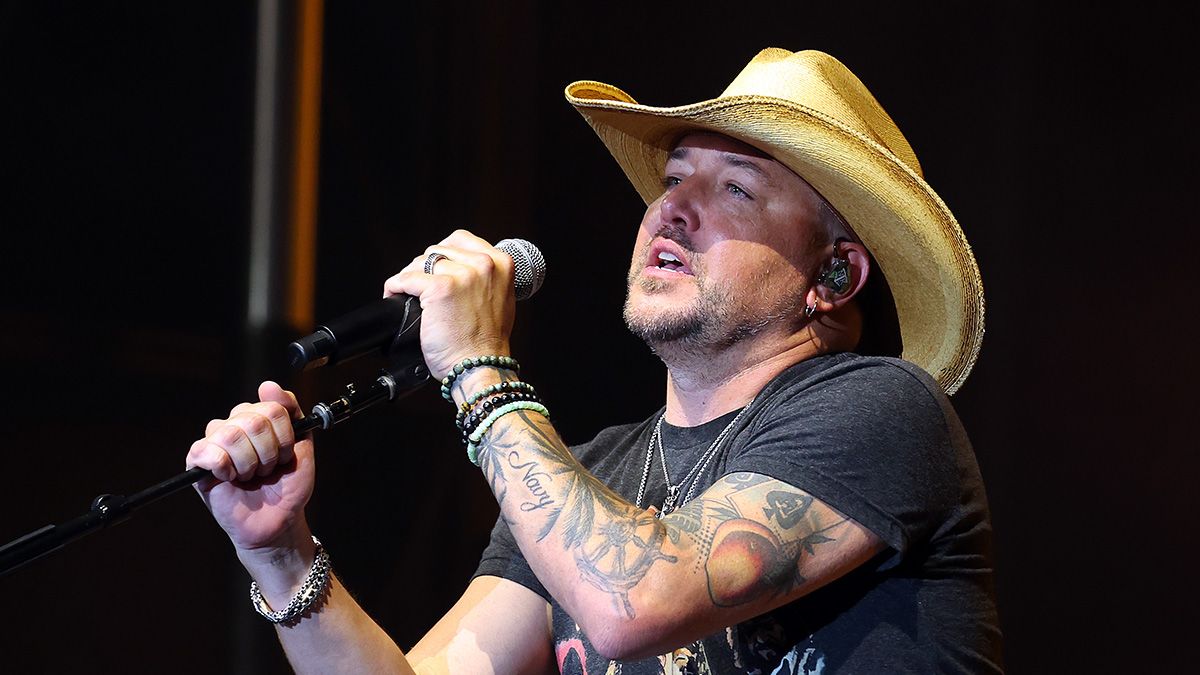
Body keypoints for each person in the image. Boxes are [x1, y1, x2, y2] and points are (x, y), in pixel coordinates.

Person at [186, 48, 1003, 673]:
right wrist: (283, 554)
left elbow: (633, 601)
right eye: (675, 176)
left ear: (835, 274)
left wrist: (478, 367)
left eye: (736, 190)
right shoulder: (589, 474)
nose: (672, 207)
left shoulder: (885, 409)